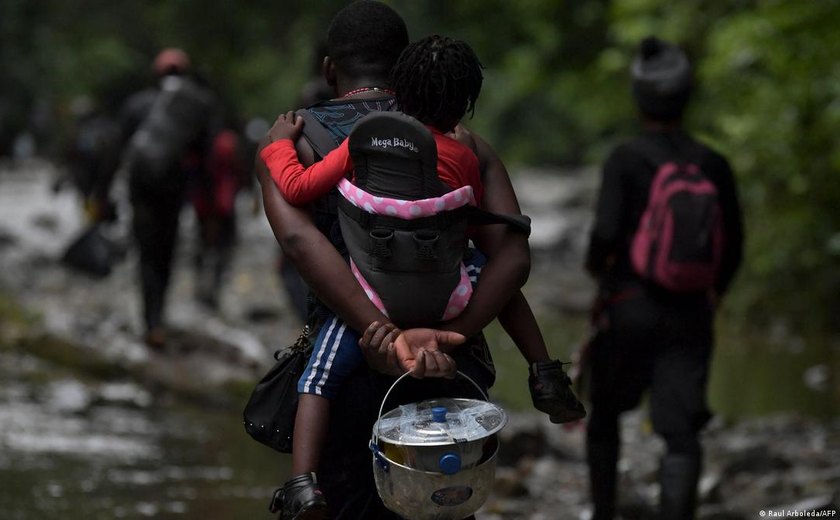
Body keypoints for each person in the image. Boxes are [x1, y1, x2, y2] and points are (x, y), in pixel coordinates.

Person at [260, 34, 585, 517]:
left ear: (331, 71)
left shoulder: (342, 142)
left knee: (318, 382)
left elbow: (299, 234)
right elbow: (512, 260)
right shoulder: (468, 152)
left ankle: (302, 485)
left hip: (361, 319)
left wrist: (276, 146)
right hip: (450, 333)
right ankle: (544, 371)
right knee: (441, 501)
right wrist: (453, 333)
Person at [583, 37, 743, 520]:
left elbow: (605, 234)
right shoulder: (713, 164)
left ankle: (605, 511)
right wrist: (714, 293)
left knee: (606, 415)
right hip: (690, 313)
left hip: (629, 307)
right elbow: (732, 245)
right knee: (681, 432)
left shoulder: (625, 159)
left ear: (639, 98)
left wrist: (600, 277)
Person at [116, 48, 221, 347]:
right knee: (167, 250)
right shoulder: (196, 105)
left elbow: (117, 151)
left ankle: (150, 321)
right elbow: (205, 160)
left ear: (156, 74)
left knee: (145, 252)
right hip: (174, 188)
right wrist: (210, 206)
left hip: (141, 190)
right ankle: (158, 317)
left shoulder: (136, 104)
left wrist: (102, 194)